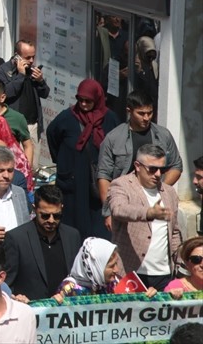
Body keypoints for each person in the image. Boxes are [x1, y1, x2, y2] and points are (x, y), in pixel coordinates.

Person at [97, 90, 183, 231]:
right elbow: (104, 176)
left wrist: (160, 189)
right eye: (141, 113)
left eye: (149, 113)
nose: (146, 118)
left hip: (155, 201)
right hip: (126, 201)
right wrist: (108, 212)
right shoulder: (114, 138)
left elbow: (176, 166)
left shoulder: (163, 135)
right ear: (129, 111)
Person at [45, 78, 119, 239]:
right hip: (73, 182)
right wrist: (64, 162)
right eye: (80, 100)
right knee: (73, 228)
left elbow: (118, 146)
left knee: (99, 228)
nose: (83, 104)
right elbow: (52, 135)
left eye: (88, 101)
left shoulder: (109, 118)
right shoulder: (67, 117)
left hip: (98, 182)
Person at [106, 142, 182, 290]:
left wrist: (178, 263)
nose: (158, 174)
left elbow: (174, 232)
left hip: (164, 274)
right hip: (131, 272)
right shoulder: (121, 185)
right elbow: (119, 209)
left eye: (162, 169)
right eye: (152, 169)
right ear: (137, 166)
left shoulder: (169, 192)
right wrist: (148, 213)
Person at [2, 184, 83, 301]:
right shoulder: (16, 238)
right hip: (31, 310)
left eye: (56, 216)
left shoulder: (72, 236)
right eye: (45, 215)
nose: (51, 220)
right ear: (34, 209)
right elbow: (6, 283)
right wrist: (15, 298)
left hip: (65, 310)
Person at [51, 237, 155, 300]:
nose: (117, 270)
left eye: (116, 264)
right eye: (111, 266)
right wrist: (53, 307)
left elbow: (137, 309)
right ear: (96, 268)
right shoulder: (68, 289)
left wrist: (151, 297)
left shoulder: (115, 283)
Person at [0, 39, 48, 146]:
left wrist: (40, 81)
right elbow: (6, 94)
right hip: (12, 127)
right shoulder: (2, 71)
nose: (31, 60)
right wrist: (20, 75)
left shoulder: (32, 70)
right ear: (17, 56)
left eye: (33, 56)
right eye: (27, 57)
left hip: (32, 126)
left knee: (31, 162)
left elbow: (45, 94)